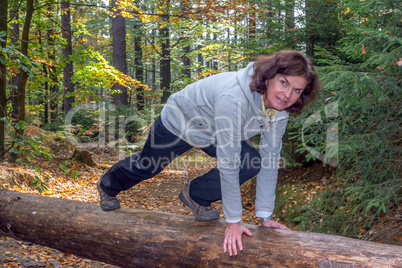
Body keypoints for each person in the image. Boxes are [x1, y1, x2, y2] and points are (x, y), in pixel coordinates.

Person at [97, 50, 320, 256]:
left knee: (252, 162)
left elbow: (270, 157)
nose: (287, 94)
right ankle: (108, 185)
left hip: (213, 131)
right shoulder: (234, 98)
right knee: (147, 166)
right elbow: (228, 161)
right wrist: (233, 221)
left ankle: (195, 196)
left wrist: (265, 215)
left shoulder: (279, 111)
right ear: (270, 76)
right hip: (180, 121)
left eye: (296, 90)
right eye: (284, 83)